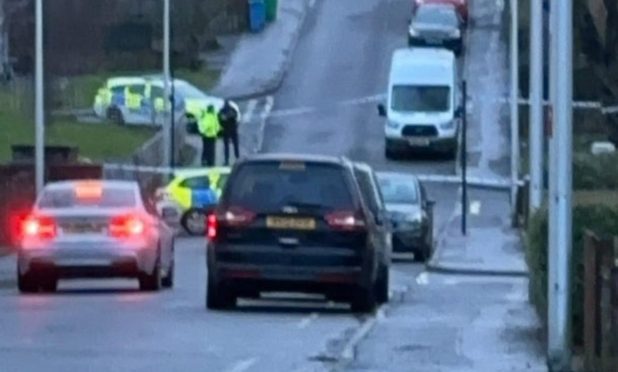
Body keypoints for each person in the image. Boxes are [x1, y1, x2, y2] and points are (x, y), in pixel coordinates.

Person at [218, 100, 240, 166]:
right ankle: (237, 159)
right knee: (236, 145)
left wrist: (223, 125)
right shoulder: (233, 110)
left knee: (226, 146)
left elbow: (219, 120)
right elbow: (236, 118)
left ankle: (226, 161)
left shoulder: (221, 111)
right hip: (233, 129)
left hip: (226, 130)